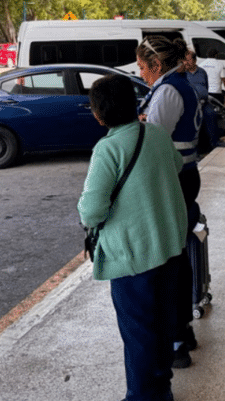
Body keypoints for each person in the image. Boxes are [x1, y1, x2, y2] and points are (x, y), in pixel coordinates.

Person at [78, 74, 187, 401]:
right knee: (164, 326)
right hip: (169, 247)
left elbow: (92, 211)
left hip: (132, 256)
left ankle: (142, 396)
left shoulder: (107, 149)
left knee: (139, 335)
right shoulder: (155, 133)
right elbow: (177, 164)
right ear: (134, 103)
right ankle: (162, 389)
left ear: (99, 115)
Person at [137, 35, 202, 369]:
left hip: (173, 180)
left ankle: (177, 339)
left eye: (143, 68)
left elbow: (153, 138)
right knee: (177, 254)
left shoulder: (167, 90)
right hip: (183, 176)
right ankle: (184, 330)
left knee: (169, 260)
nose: (142, 74)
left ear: (156, 65)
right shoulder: (178, 84)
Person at [184, 50, 225, 149]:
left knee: (211, 114)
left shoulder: (202, 72)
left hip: (204, 102)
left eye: (188, 60)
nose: (186, 62)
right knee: (192, 120)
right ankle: (195, 148)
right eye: (185, 60)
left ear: (194, 60)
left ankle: (215, 141)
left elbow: (206, 87)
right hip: (191, 104)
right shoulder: (184, 74)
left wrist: (203, 97)